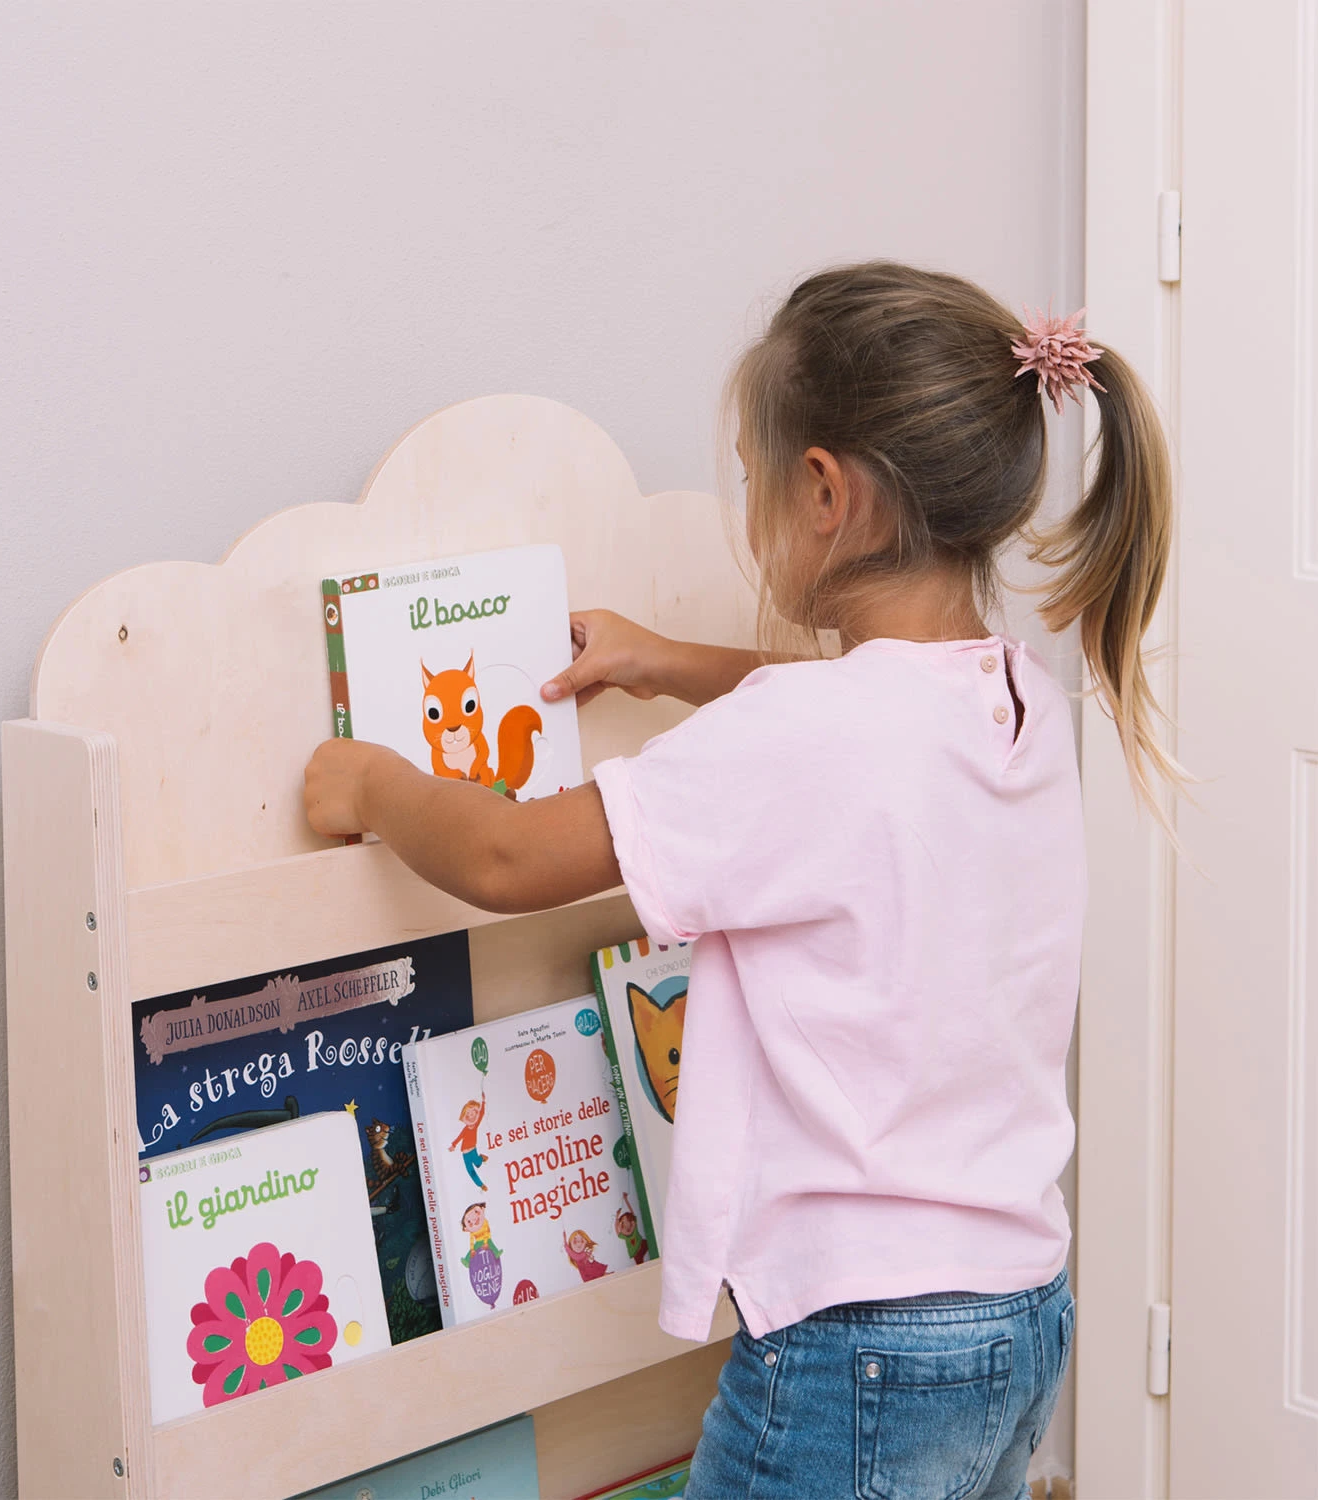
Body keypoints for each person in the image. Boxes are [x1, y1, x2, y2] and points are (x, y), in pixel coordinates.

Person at [303, 262, 1176, 1497]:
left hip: (855, 1349)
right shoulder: (1018, 696)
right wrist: (672, 664)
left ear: (825, 493)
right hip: (1018, 1314)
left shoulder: (806, 739)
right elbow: (849, 729)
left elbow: (506, 858)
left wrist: (375, 785)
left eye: (755, 479)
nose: (752, 508)